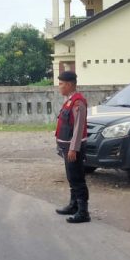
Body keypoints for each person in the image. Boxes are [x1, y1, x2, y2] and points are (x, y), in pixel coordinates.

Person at [54, 71, 91, 223]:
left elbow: (78, 126)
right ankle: (73, 205)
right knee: (71, 177)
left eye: (61, 84)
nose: (59, 87)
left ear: (69, 85)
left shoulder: (78, 102)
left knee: (77, 179)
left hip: (73, 148)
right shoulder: (69, 100)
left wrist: (73, 148)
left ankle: (83, 212)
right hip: (67, 146)